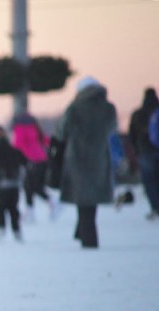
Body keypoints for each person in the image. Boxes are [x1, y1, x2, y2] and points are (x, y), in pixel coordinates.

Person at [55, 76, 117, 249]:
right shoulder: (108, 108)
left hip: (77, 157)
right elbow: (112, 128)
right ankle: (83, 231)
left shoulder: (74, 108)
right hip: (99, 157)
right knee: (91, 199)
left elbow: (61, 131)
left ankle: (87, 237)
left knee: (82, 198)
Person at [0, 126, 28, 241]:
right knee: (13, 208)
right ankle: (16, 230)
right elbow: (25, 161)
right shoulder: (13, 150)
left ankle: (1, 227)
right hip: (15, 184)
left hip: (3, 184)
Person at [11, 112, 57, 221]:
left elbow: (18, 144)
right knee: (29, 186)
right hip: (41, 159)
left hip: (30, 160)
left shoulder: (19, 129)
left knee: (33, 186)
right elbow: (46, 140)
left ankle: (51, 201)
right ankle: (30, 211)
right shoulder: (35, 128)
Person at [127, 87, 159, 219]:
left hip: (145, 152)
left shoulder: (138, 114)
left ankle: (155, 208)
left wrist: (136, 151)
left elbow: (131, 135)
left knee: (150, 182)